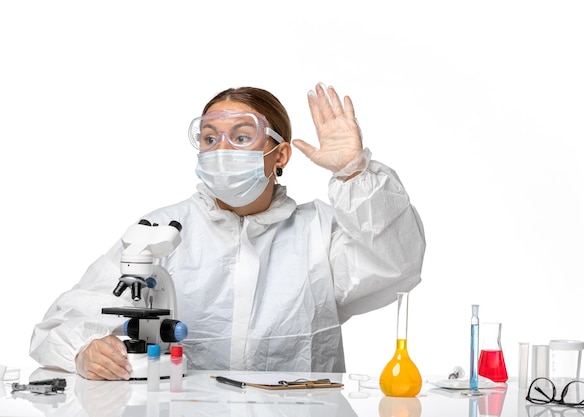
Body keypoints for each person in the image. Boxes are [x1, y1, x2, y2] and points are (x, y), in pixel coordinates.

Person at [29, 83, 426, 380]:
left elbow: (397, 264)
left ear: (280, 154)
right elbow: (62, 324)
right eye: (209, 138)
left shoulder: (320, 231)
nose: (221, 151)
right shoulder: (162, 229)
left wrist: (354, 172)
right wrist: (84, 352)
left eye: (240, 137)